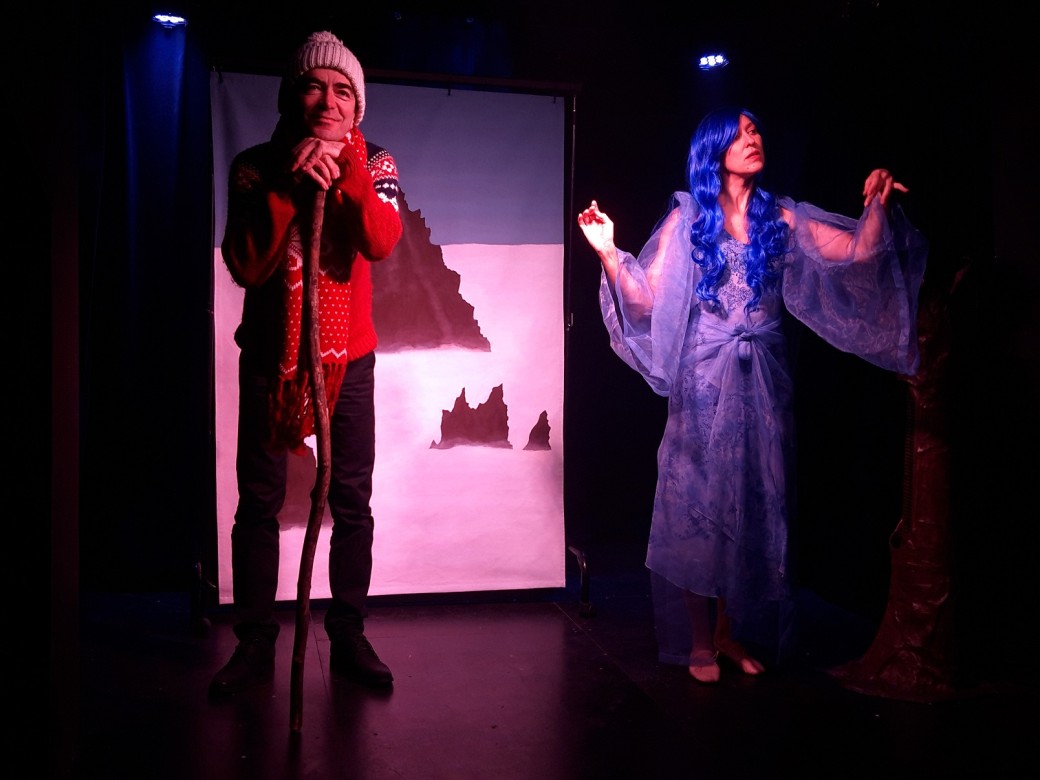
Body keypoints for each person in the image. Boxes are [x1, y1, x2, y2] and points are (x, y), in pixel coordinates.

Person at [577, 107, 927, 684]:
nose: (753, 139)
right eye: (740, 134)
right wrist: (610, 251)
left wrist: (876, 203)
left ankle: (727, 632)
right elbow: (644, 303)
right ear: (715, 150)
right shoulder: (690, 219)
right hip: (704, 380)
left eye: (756, 130)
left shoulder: (778, 216)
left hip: (762, 379)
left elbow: (857, 254)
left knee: (750, 503)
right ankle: (698, 642)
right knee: (698, 507)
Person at [211, 31, 403, 695]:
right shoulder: (254, 166)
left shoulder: (377, 161)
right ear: (292, 97)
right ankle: (254, 642)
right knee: (260, 502)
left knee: (351, 499)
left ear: (358, 106)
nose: (328, 100)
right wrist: (291, 185)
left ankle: (347, 633)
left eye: (343, 90)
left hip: (349, 362)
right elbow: (246, 262)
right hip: (274, 361)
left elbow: (380, 241)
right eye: (314, 87)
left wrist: (346, 172)